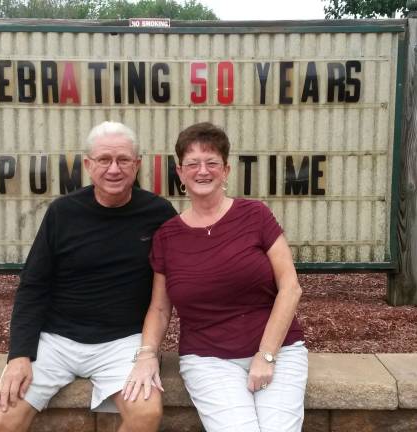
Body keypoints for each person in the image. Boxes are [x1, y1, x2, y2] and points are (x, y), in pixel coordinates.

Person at [0, 121, 177, 432]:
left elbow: (180, 279)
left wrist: (150, 352)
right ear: (88, 164)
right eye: (104, 159)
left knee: (146, 415)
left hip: (123, 341)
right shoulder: (63, 212)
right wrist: (19, 355)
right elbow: (33, 287)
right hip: (55, 340)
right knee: (0, 420)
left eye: (123, 160)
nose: (113, 169)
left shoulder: (159, 213)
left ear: (137, 164)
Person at [123, 122, 308, 432]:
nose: (202, 171)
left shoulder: (255, 215)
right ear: (180, 172)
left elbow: (290, 288)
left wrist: (266, 355)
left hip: (279, 350)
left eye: (211, 163)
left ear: (226, 170)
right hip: (208, 360)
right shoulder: (167, 236)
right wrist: (146, 355)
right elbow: (159, 308)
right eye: (192, 163)